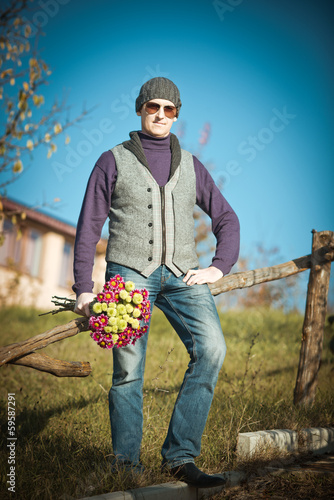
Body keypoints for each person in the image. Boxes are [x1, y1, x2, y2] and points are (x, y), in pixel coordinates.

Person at [73, 77, 240, 488]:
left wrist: (218, 267)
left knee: (213, 348)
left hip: (184, 273)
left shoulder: (193, 165)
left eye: (169, 109)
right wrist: (83, 287)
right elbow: (88, 227)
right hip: (129, 273)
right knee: (129, 372)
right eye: (153, 107)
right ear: (140, 110)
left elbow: (226, 219)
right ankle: (126, 469)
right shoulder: (111, 160)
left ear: (177, 113)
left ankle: (180, 457)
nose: (161, 115)